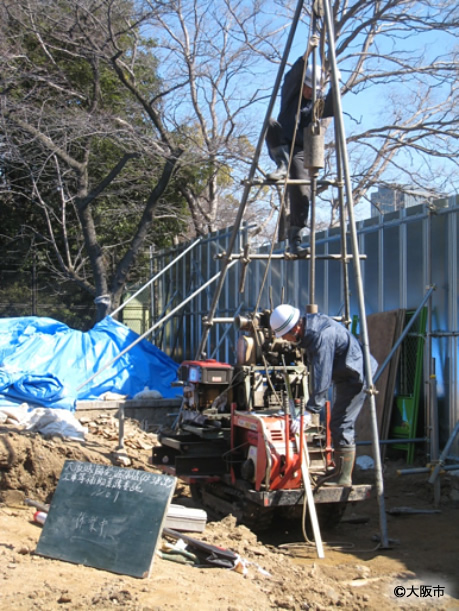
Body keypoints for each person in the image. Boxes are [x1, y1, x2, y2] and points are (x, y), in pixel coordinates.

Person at [269, 304, 378, 486]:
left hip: (357, 375)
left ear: (295, 327)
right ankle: (339, 472)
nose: (286, 340)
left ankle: (343, 478)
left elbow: (322, 375)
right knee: (337, 422)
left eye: (285, 335)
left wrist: (310, 411)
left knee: (341, 423)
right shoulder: (310, 330)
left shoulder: (321, 336)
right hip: (346, 373)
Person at [265, 54, 334, 254]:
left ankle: (295, 238)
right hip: (282, 142)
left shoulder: (318, 101)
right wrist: (308, 51)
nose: (308, 91)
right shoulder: (290, 92)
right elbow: (294, 74)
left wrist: (336, 86)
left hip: (301, 149)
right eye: (306, 86)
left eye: (312, 89)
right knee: (269, 123)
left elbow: (330, 107)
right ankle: (282, 166)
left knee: (302, 191)